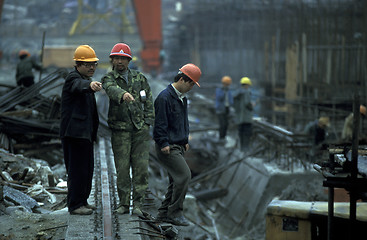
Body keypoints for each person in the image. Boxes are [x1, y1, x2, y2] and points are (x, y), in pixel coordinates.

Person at [101, 43, 154, 215]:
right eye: (117, 58)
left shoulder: (140, 78)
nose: (120, 62)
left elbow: (149, 102)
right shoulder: (109, 78)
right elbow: (110, 89)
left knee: (141, 168)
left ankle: (138, 204)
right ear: (112, 60)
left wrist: (147, 123)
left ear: (129, 60)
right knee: (122, 169)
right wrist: (122, 95)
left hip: (139, 130)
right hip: (120, 131)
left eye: (123, 58)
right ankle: (124, 203)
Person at [153, 63, 201, 226]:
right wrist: (163, 142)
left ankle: (163, 213)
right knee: (185, 176)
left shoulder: (182, 98)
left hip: (178, 145)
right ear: (182, 79)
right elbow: (159, 124)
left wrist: (185, 139)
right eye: (191, 84)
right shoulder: (164, 97)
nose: (192, 87)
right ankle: (174, 213)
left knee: (175, 180)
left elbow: (183, 122)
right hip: (168, 147)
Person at [60, 45, 102, 215]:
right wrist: (90, 85)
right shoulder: (73, 78)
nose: (92, 67)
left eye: (94, 64)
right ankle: (75, 205)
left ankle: (83, 201)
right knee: (77, 171)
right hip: (74, 134)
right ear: (78, 65)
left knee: (86, 170)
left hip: (83, 135)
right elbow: (79, 85)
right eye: (88, 64)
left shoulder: (83, 78)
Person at [233, 77, 254, 151]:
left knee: (241, 133)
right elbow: (247, 103)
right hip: (246, 118)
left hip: (240, 118)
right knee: (247, 133)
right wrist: (252, 106)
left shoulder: (237, 93)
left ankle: (242, 148)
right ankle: (246, 148)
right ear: (247, 85)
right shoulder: (246, 92)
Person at [215, 76, 234, 140]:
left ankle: (224, 137)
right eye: (226, 84)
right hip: (220, 109)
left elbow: (231, 99)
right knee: (222, 124)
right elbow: (219, 97)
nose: (227, 85)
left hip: (227, 108)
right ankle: (221, 137)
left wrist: (231, 105)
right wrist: (224, 92)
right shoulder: (219, 90)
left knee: (226, 124)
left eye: (228, 84)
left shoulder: (228, 90)